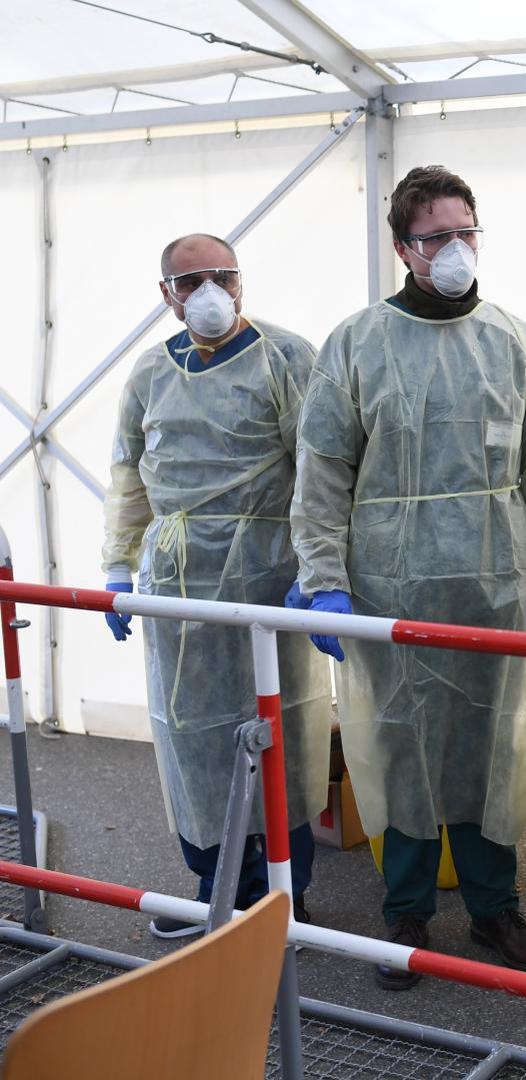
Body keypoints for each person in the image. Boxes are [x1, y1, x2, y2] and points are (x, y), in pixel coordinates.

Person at [291, 165, 526, 990]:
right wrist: (324, 579)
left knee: (492, 742)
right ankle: (404, 912)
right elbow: (323, 472)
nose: (454, 250)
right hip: (391, 580)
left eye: (465, 231)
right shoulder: (357, 342)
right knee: (400, 743)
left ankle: (494, 907)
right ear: (402, 248)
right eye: (435, 236)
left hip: (492, 574)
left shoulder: (512, 340)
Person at [101, 233, 330, 938]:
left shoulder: (286, 357)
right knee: (193, 732)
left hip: (267, 570)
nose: (208, 293)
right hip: (177, 578)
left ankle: (281, 890)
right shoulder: (149, 372)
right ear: (166, 296)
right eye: (190, 280)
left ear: (241, 283)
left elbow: (320, 469)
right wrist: (118, 560)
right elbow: (128, 473)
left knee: (277, 723)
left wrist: (319, 572)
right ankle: (213, 881)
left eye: (221, 276)